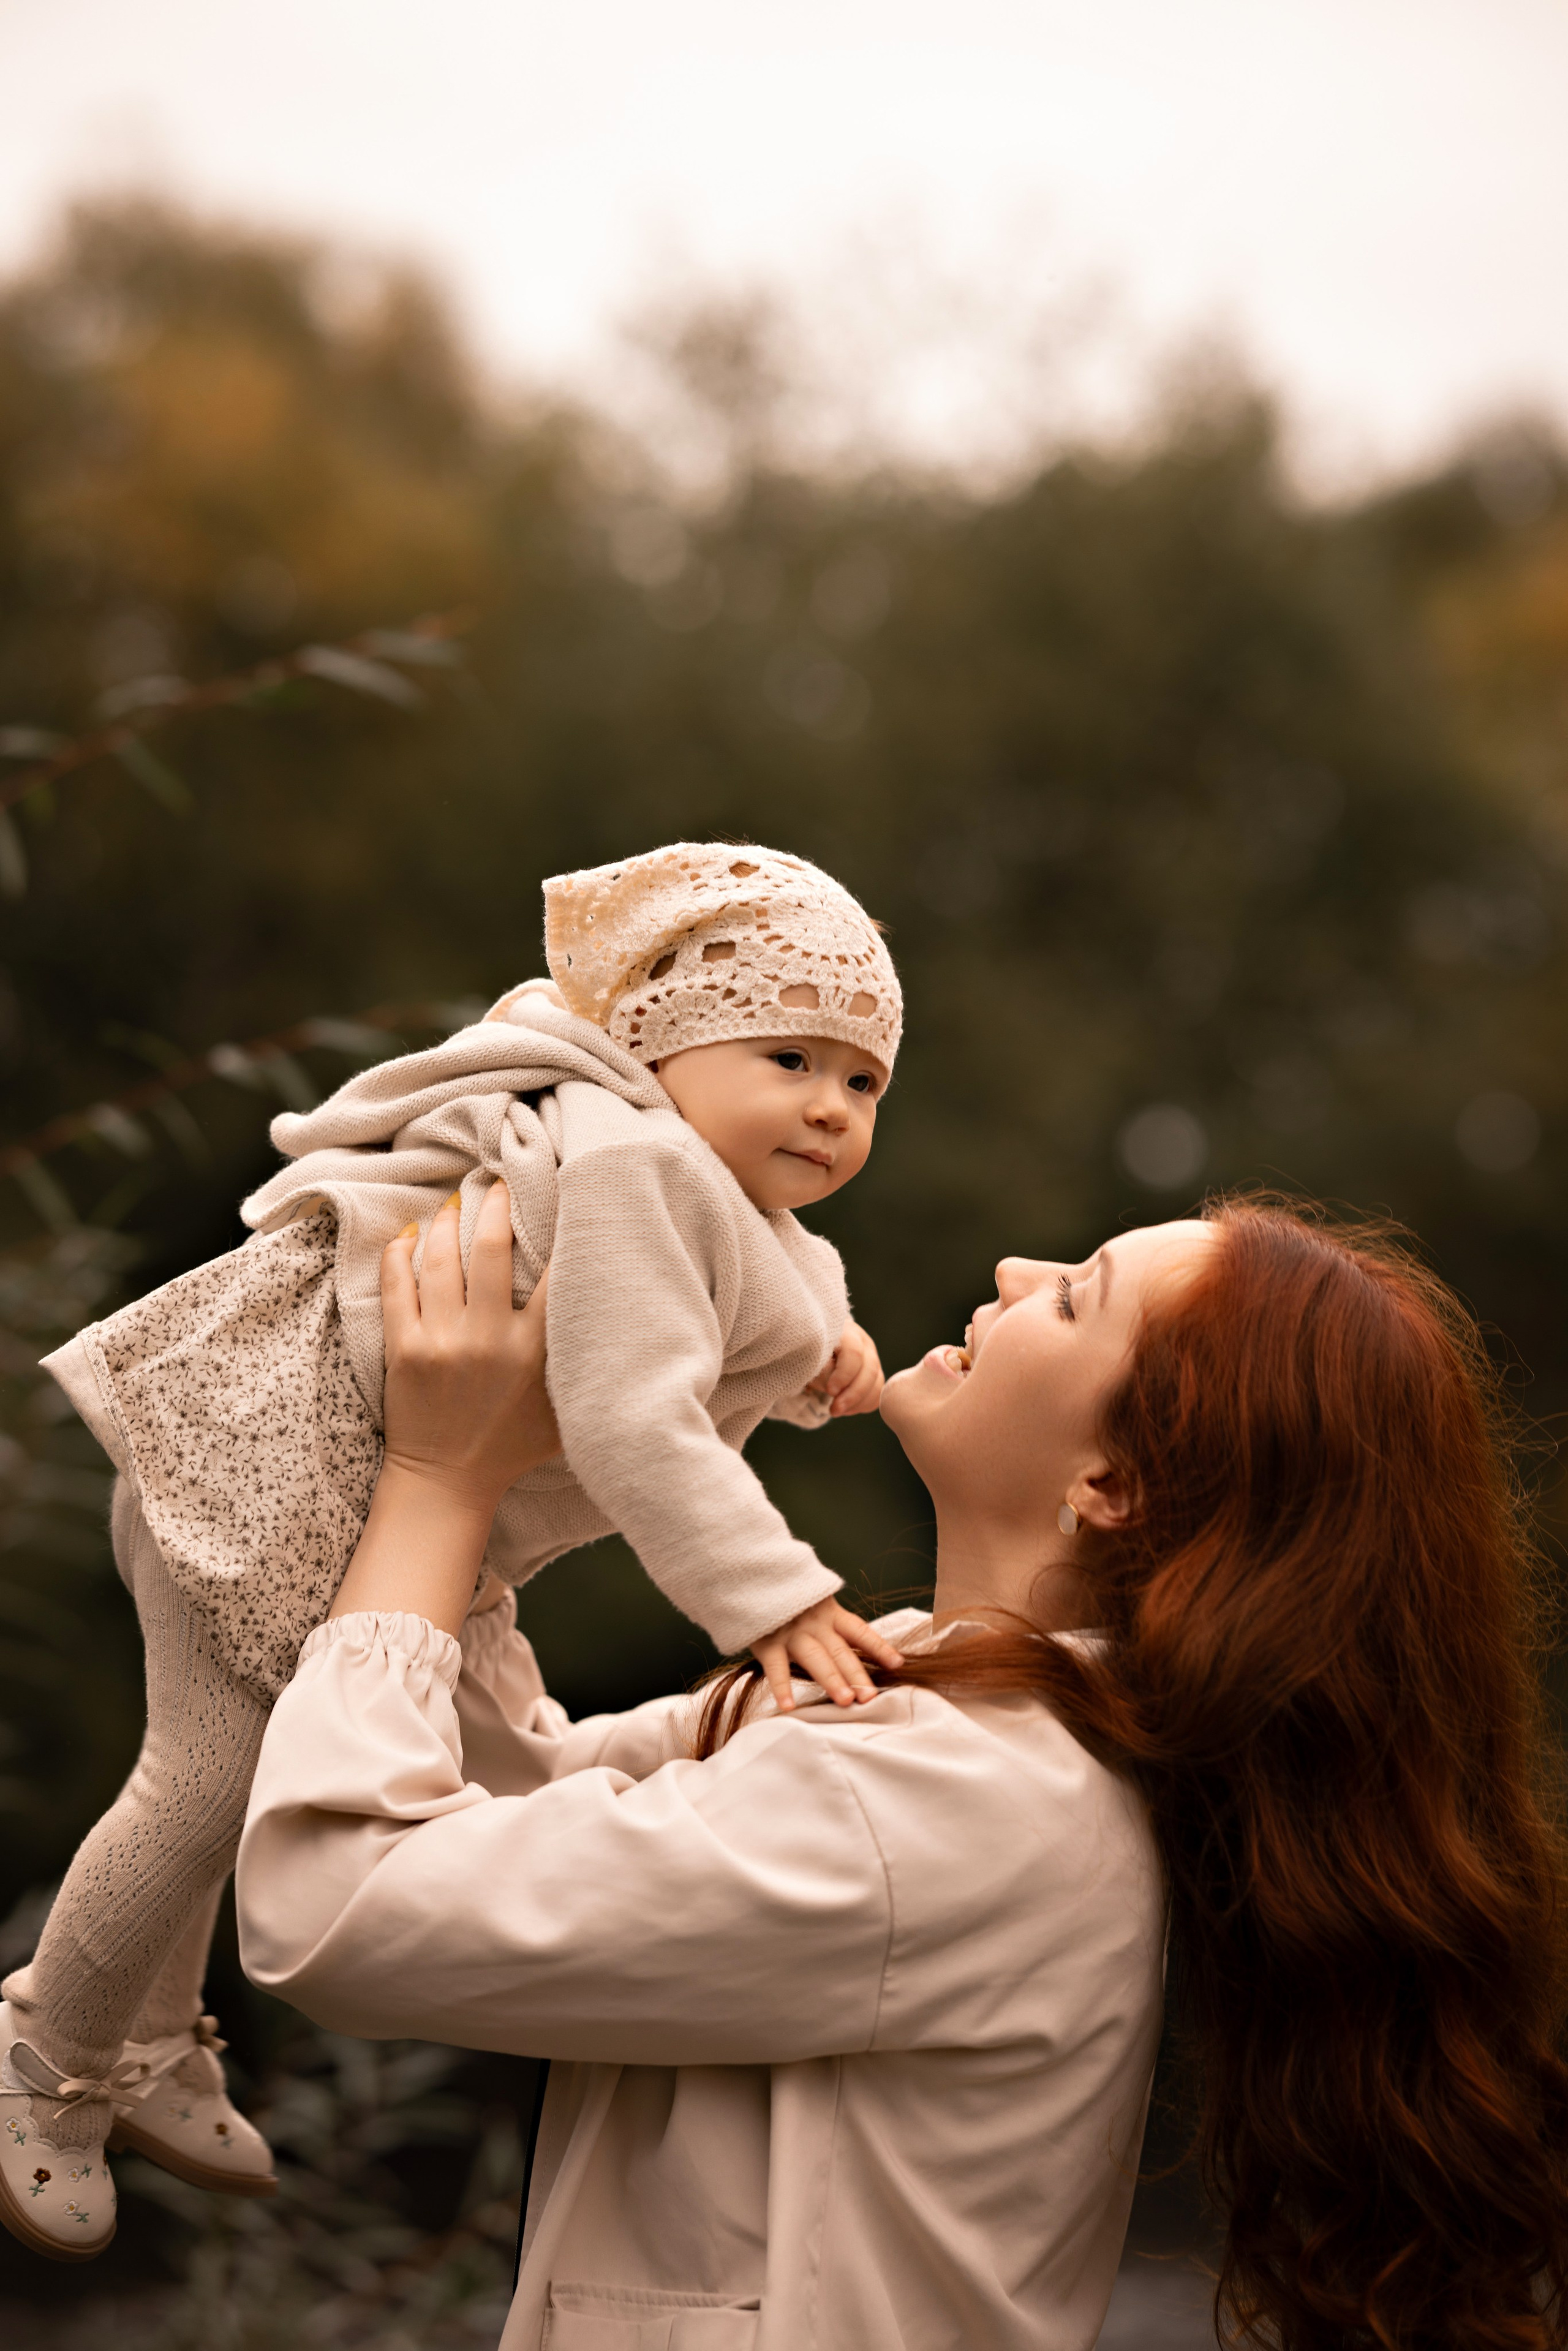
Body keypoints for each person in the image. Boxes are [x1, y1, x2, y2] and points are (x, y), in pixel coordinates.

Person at [235, 1187, 1568, 2351]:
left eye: (1073, 1297)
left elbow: (338, 1902)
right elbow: (510, 1781)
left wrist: (436, 1476)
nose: (1013, 1275)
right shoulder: (919, 1690)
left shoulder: (960, 1797)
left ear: (1112, 1483)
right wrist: (504, 1456)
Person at [0, 842, 907, 2259]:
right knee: (211, 1774)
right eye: (789, 1054)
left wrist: (826, 1354)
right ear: (665, 1042)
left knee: (260, 1769)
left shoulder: (715, 1193)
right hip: (268, 1470)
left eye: (862, 1083)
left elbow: (736, 1301)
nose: (829, 1105)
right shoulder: (634, 1161)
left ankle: (150, 2040)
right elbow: (632, 1412)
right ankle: (43, 2057)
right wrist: (773, 1594)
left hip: (337, 1499)